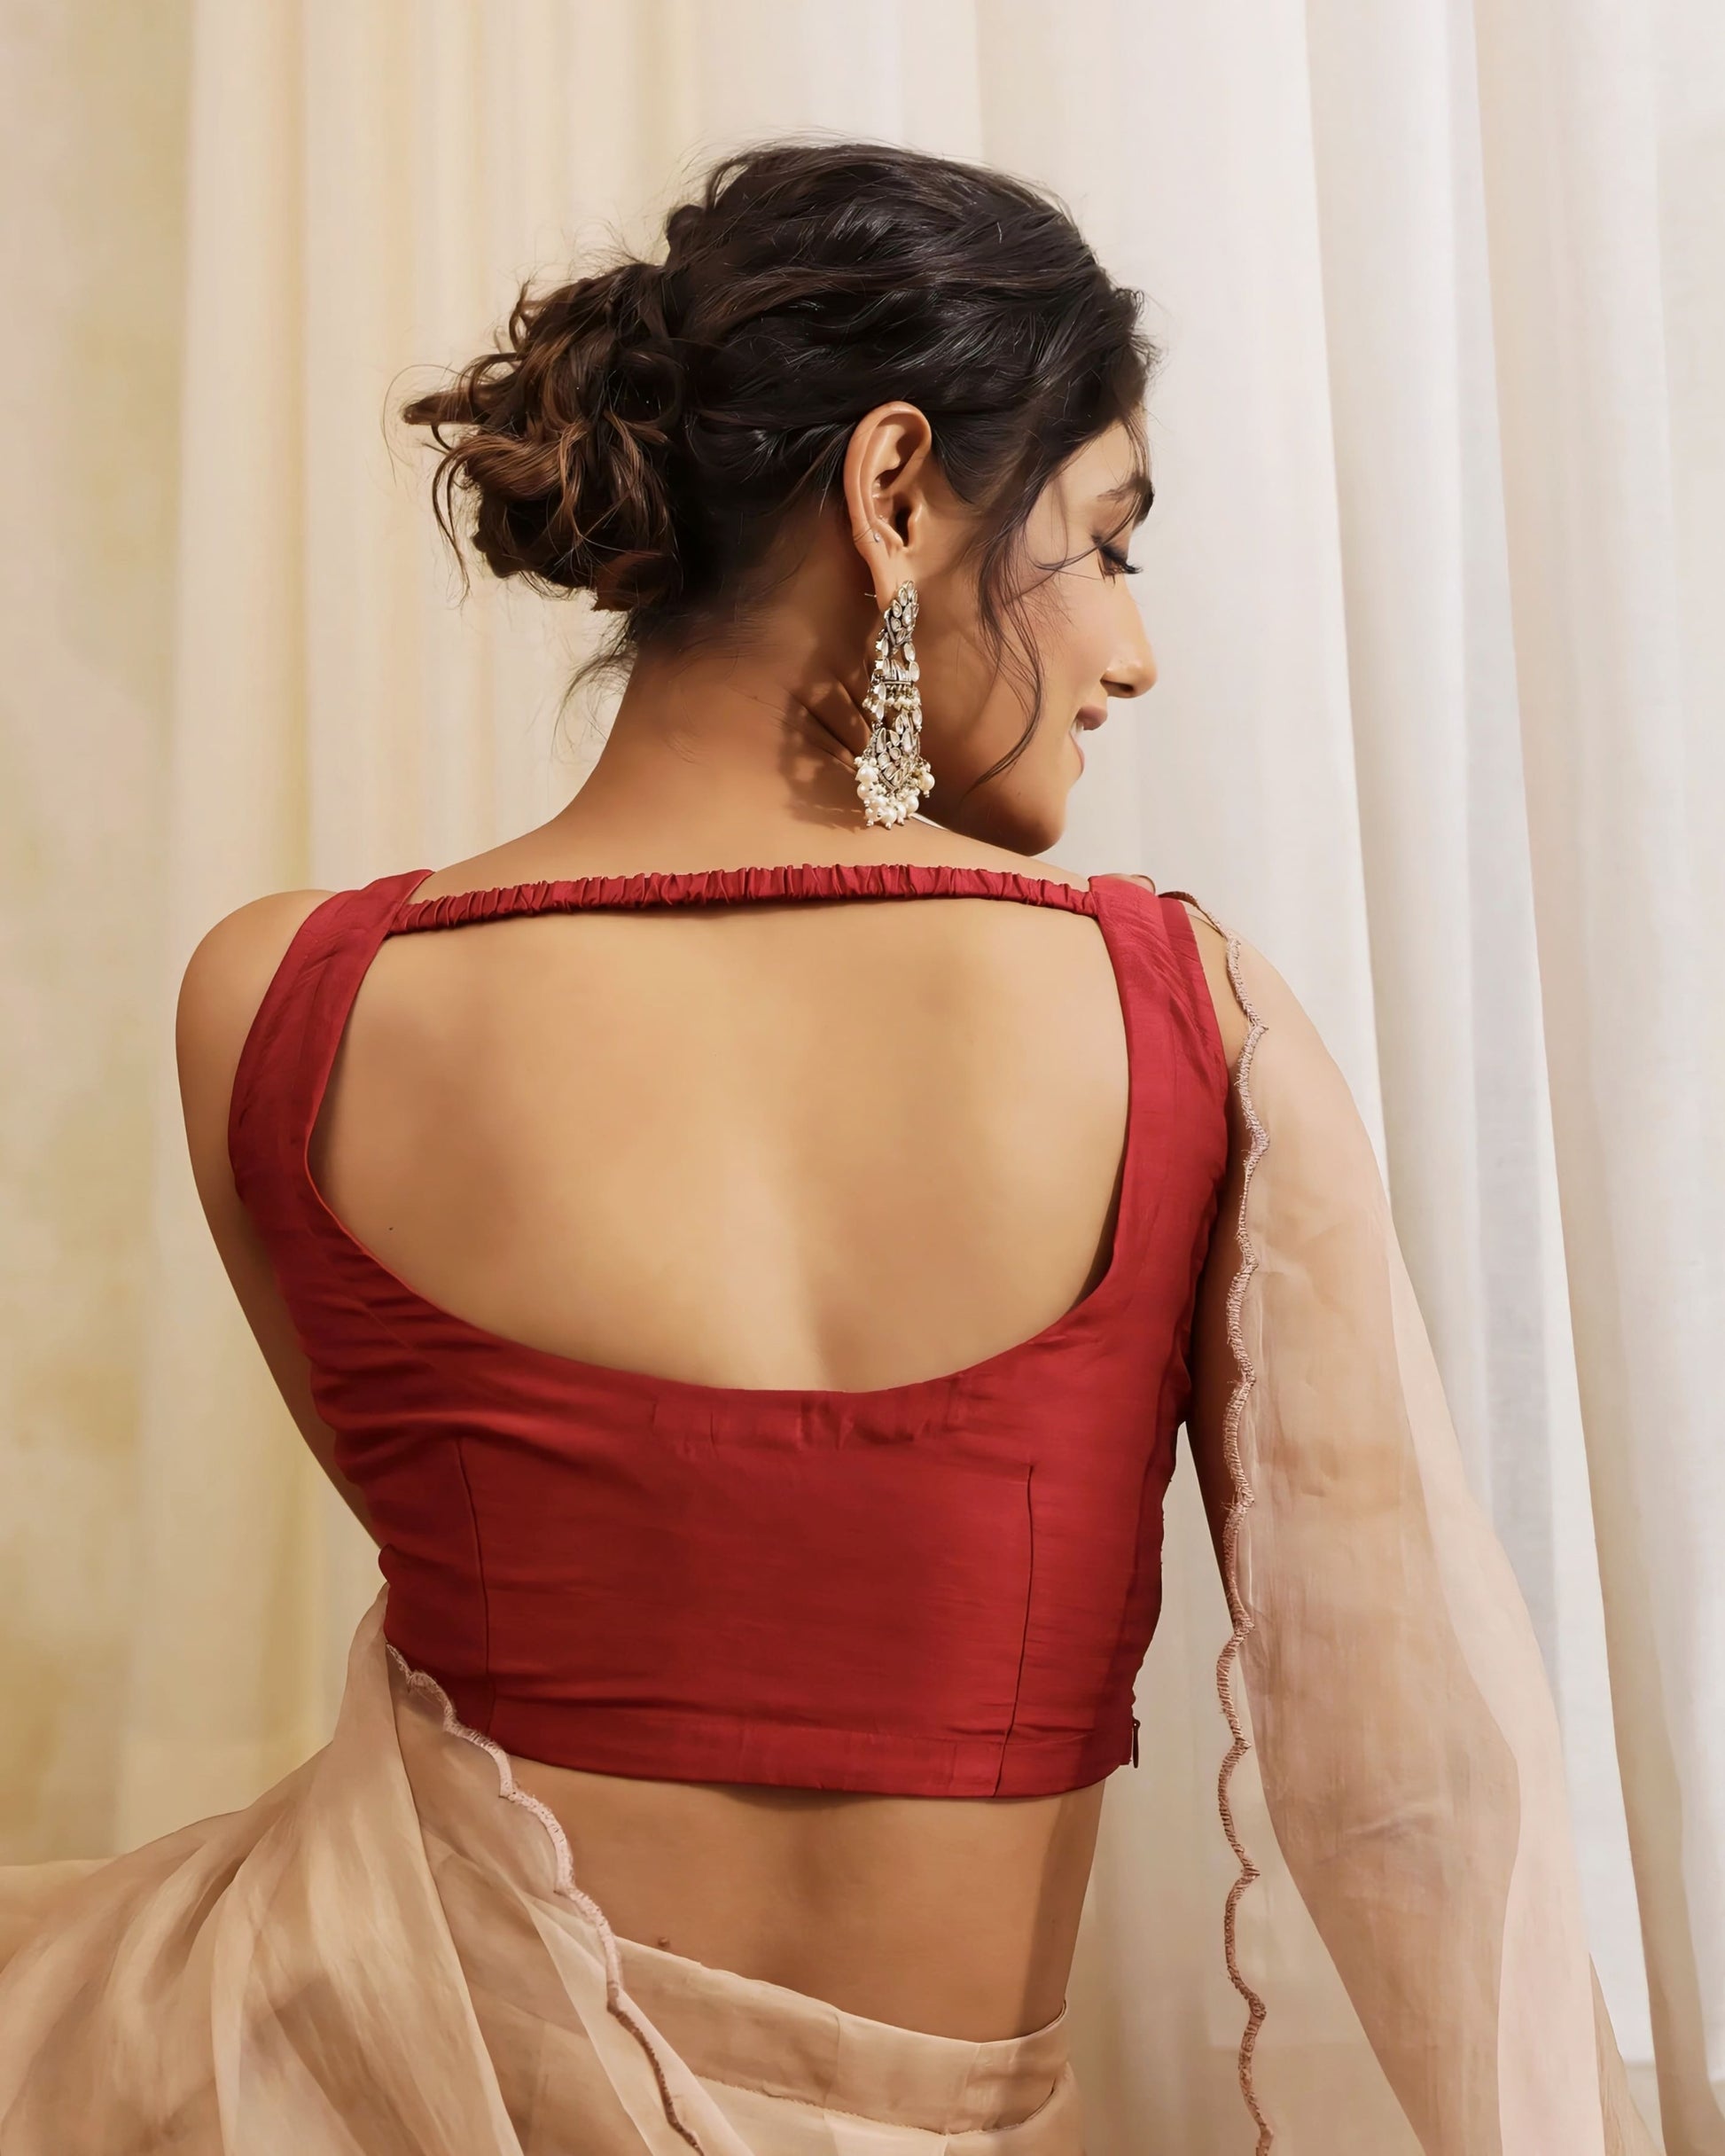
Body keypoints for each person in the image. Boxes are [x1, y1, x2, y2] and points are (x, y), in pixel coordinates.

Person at [0, 140, 1657, 2155]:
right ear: (894, 492)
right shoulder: (1175, 1014)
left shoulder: (286, 1002)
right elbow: (1410, 1779)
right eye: (1106, 544)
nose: (1133, 652)